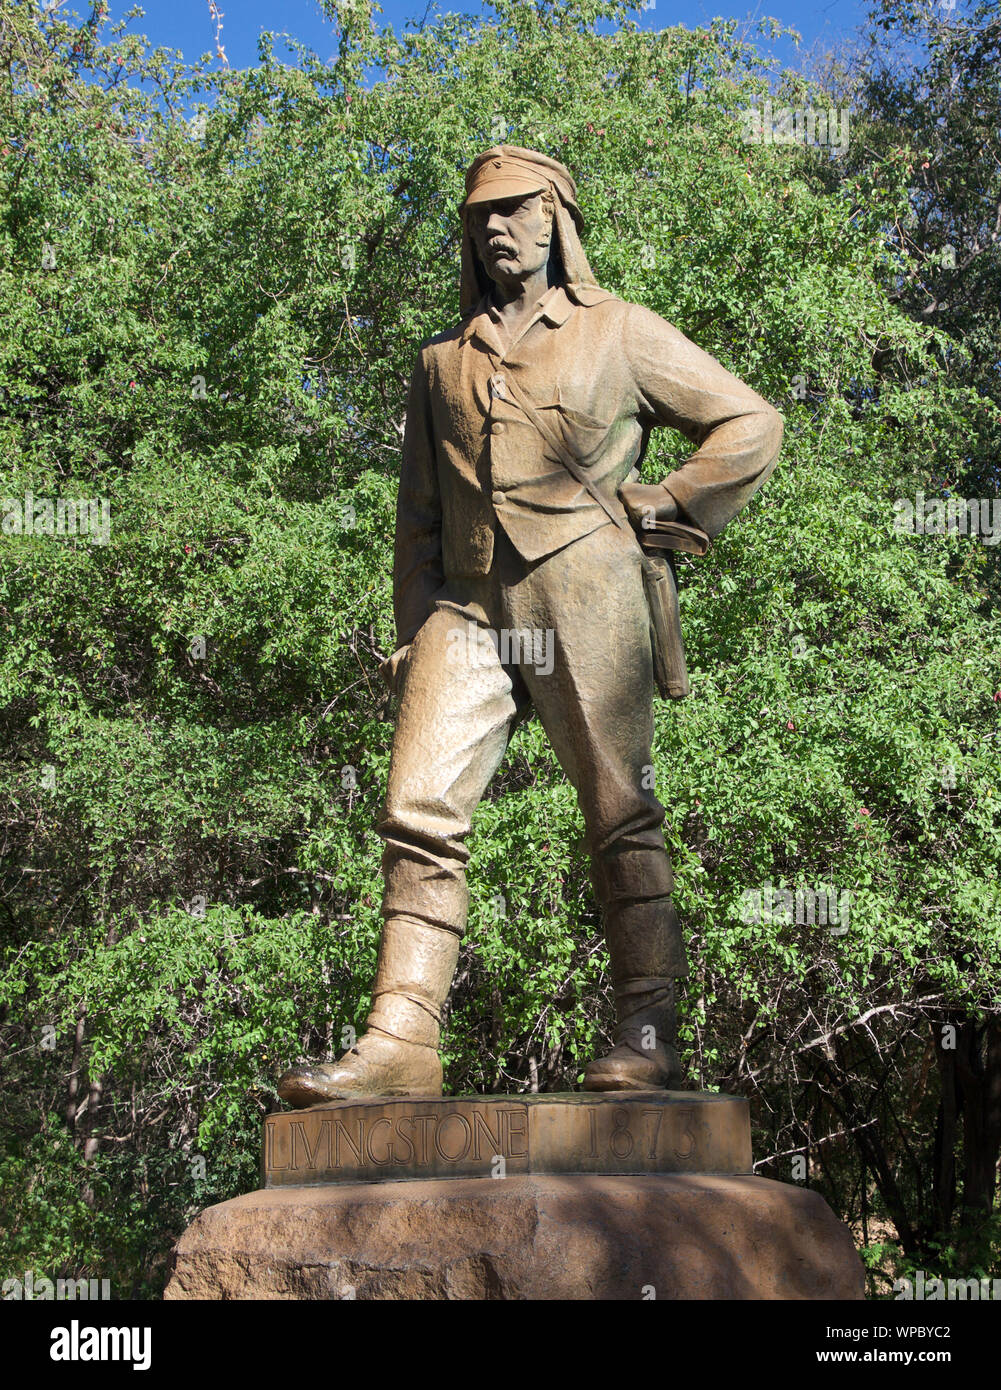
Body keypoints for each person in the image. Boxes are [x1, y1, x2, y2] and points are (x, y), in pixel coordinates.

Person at [278, 145, 782, 1105]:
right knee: (416, 813)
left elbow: (749, 423)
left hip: (581, 586)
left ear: (557, 216)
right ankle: (398, 1045)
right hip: (465, 606)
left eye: (516, 209)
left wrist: (667, 504)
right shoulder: (439, 363)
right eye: (481, 216)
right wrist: (413, 626)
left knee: (617, 807)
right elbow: (417, 517)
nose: (497, 227)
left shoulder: (620, 332)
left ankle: (646, 1030)